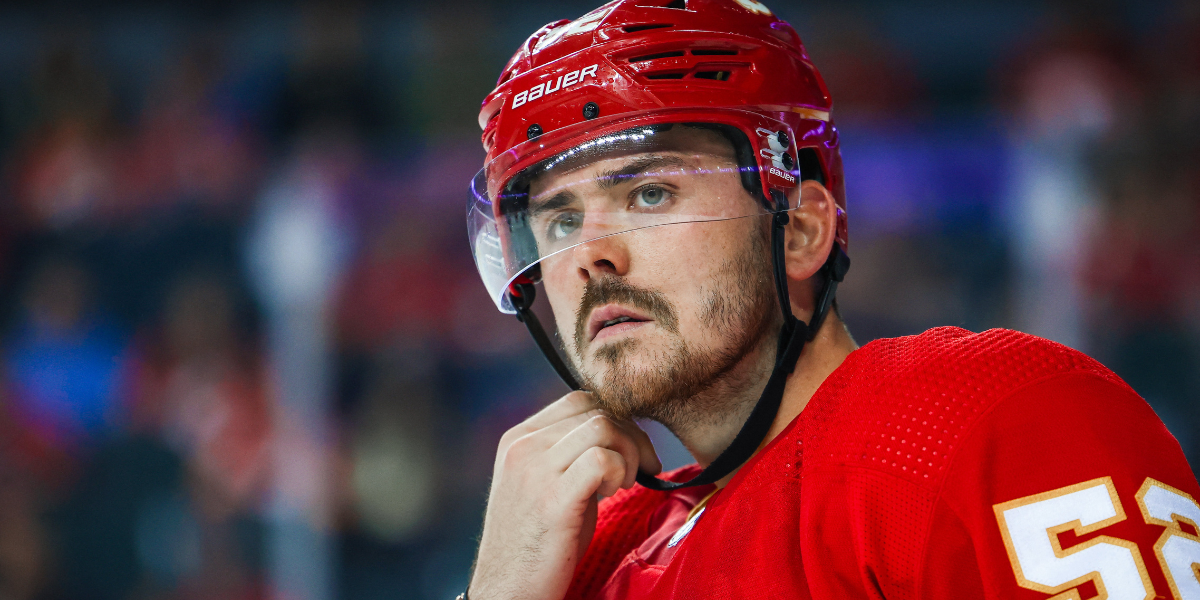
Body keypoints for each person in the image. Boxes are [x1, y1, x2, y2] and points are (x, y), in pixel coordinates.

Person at [461, 1, 1200, 598]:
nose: (590, 255)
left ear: (802, 231)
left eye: (650, 193)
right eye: (558, 220)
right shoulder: (587, 545)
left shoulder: (989, 417)